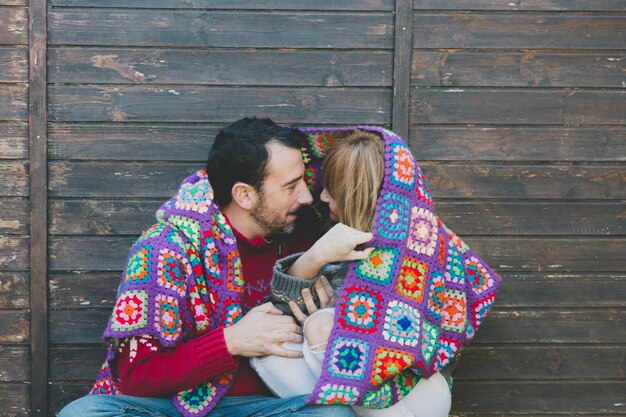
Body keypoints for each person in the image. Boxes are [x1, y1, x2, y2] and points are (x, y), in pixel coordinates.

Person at [58, 118, 356, 417]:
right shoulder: (165, 251)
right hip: (171, 408)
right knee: (82, 414)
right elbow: (137, 376)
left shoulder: (306, 234)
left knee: (335, 414)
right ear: (245, 195)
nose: (307, 196)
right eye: (291, 186)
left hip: (269, 408)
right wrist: (230, 342)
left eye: (304, 180)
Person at [252, 129, 500, 416]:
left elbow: (435, 334)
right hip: (373, 396)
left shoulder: (418, 245)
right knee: (273, 346)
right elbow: (287, 311)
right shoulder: (342, 240)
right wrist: (314, 263)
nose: (320, 195)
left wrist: (348, 320)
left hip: (418, 393)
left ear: (350, 195)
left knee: (319, 328)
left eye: (329, 188)